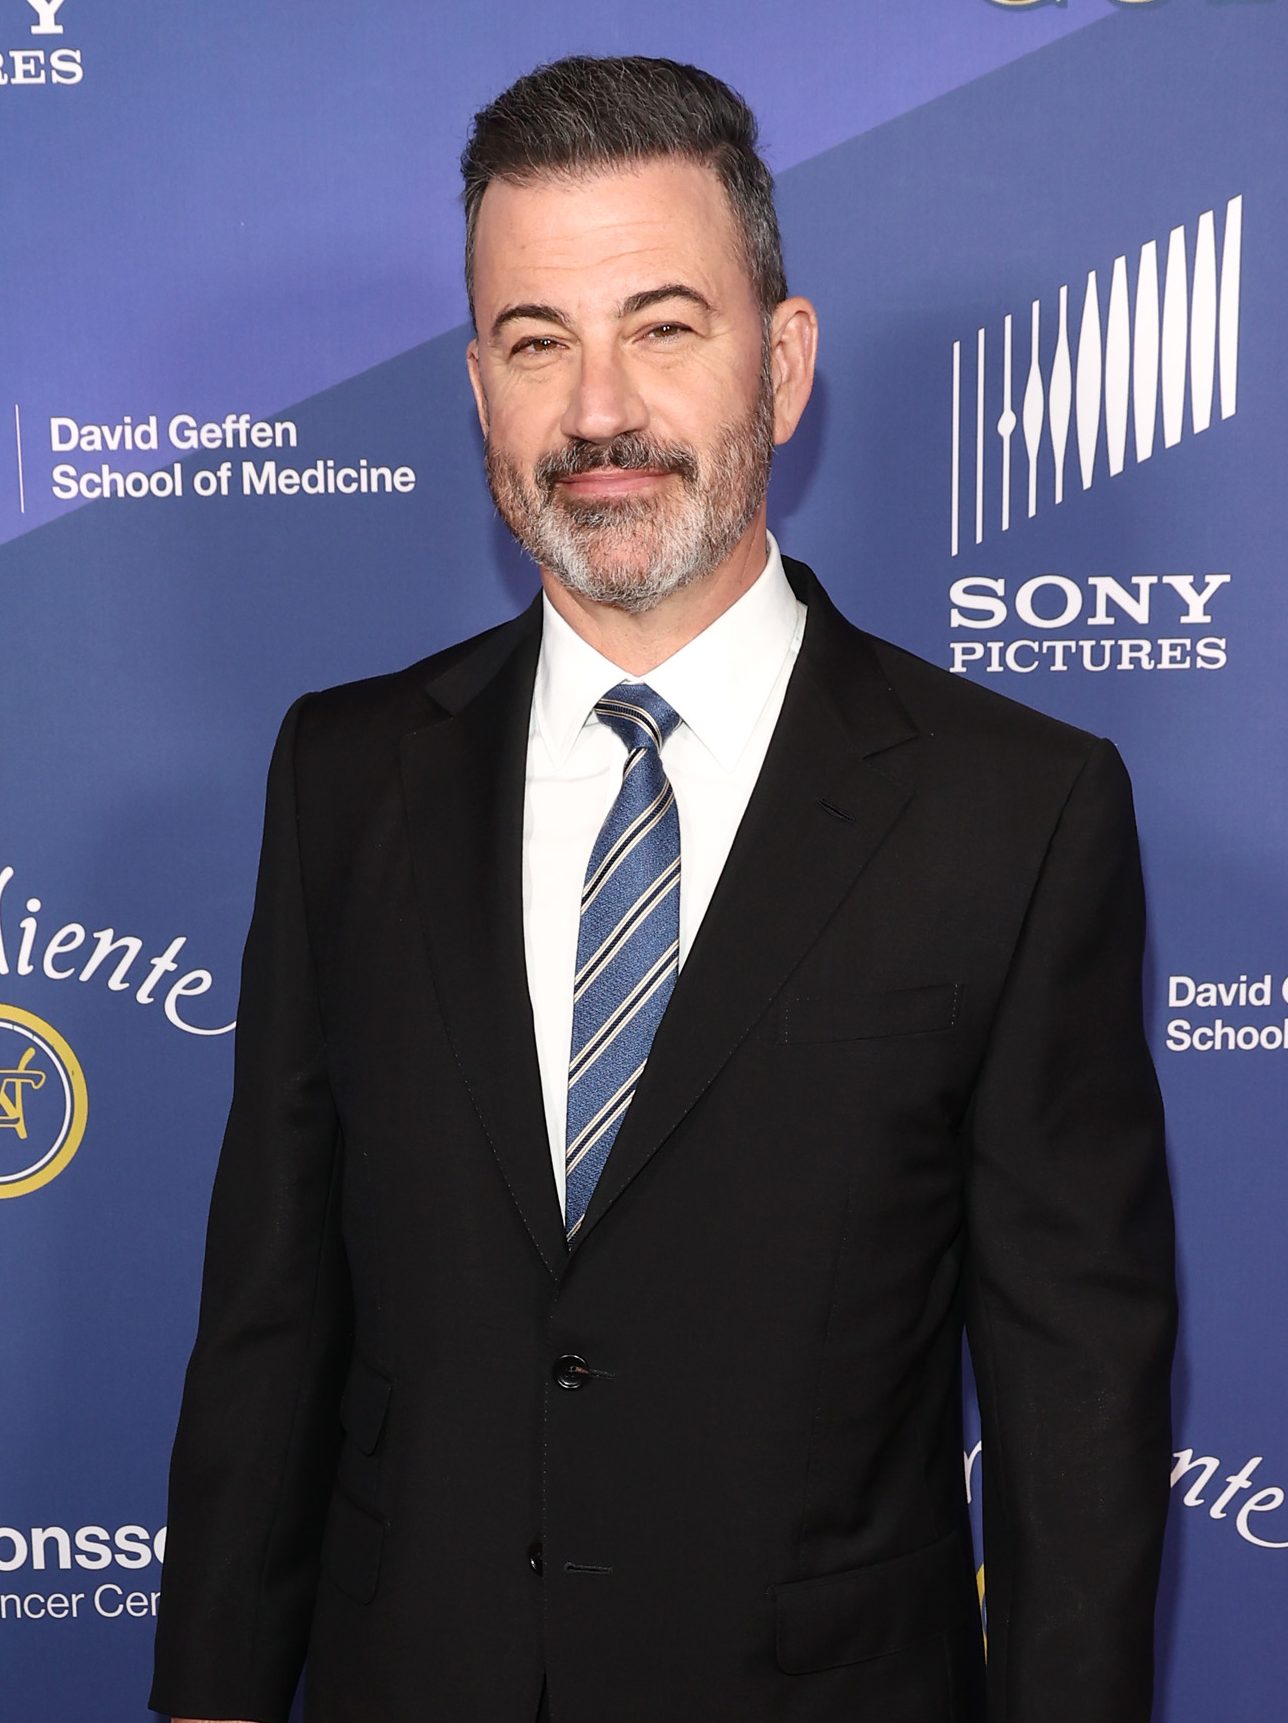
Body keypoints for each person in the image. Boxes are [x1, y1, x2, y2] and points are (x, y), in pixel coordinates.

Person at [150, 54, 1176, 1723]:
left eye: (664, 326)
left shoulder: (1020, 809)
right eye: (538, 342)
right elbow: (270, 1315)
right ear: (479, 389)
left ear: (782, 366)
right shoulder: (344, 777)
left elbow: (1077, 1398)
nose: (599, 410)